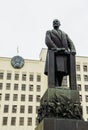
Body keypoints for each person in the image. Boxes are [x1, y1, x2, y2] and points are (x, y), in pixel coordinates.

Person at [44, 19, 76, 87]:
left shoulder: (64, 34)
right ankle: (55, 85)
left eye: (57, 22)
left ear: (59, 24)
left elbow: (70, 42)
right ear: (52, 24)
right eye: (54, 22)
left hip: (63, 55)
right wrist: (57, 49)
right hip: (54, 55)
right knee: (54, 70)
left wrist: (73, 49)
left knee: (61, 71)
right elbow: (48, 41)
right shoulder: (49, 32)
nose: (55, 23)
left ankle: (59, 86)